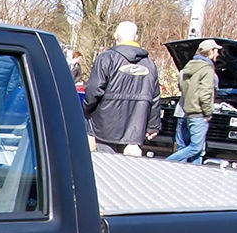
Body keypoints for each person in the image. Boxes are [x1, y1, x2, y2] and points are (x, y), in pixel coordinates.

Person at [83, 21, 160, 155]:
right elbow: (155, 97)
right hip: (135, 129)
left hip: (105, 127)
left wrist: (85, 110)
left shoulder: (106, 58)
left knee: (104, 167)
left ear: (115, 36)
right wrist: (153, 125)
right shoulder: (149, 63)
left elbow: (94, 91)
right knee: (125, 171)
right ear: (136, 37)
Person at [165, 38, 221, 164]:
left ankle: (179, 175)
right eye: (216, 51)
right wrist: (208, 113)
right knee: (197, 148)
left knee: (182, 146)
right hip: (198, 113)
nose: (218, 54)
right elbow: (206, 94)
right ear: (210, 52)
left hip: (182, 111)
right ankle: (169, 164)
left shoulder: (185, 69)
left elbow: (182, 88)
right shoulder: (208, 71)